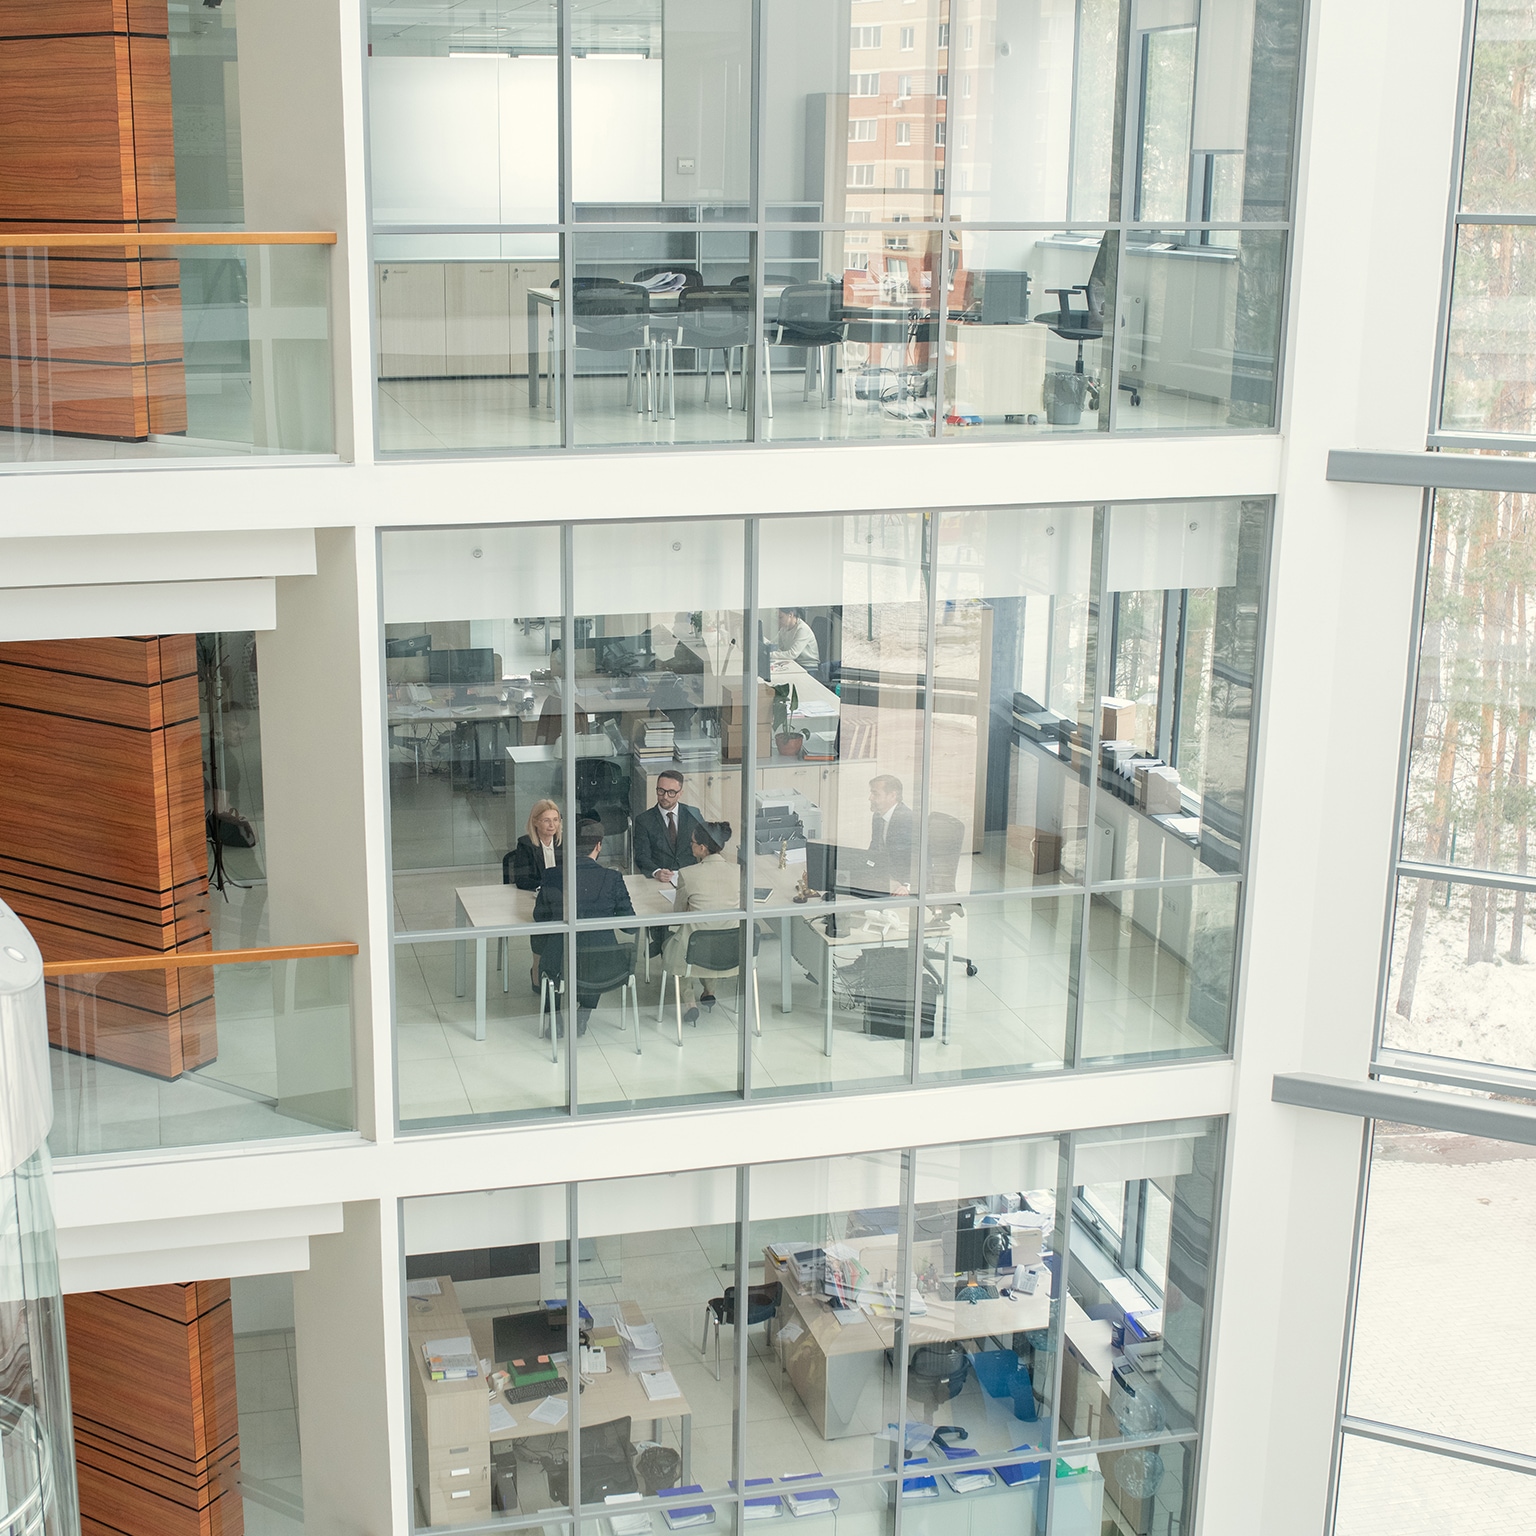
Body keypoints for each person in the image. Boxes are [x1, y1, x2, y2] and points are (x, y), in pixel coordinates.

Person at [531, 820, 636, 1035]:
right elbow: (630, 927)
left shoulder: (552, 875)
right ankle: (584, 1014)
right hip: (602, 964)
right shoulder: (613, 878)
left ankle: (556, 1020)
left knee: (550, 951)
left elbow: (539, 918)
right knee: (596, 952)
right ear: (599, 846)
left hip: (561, 961)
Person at [660, 821, 738, 1023]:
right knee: (712, 936)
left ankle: (689, 1003)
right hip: (730, 951)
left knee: (678, 946)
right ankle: (709, 991)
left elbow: (678, 913)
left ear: (702, 848)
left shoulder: (688, 874)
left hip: (693, 955)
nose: (690, 845)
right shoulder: (738, 872)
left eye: (692, 842)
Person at [505, 800, 563, 992]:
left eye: (556, 820)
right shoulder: (525, 844)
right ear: (536, 822)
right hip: (536, 898)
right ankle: (538, 967)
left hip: (561, 899)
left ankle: (558, 968)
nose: (552, 825)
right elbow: (522, 880)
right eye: (546, 820)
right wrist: (543, 887)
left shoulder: (563, 843)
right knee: (542, 918)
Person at [632, 770, 705, 885]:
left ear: (680, 793)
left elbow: (706, 846)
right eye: (661, 791)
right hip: (660, 879)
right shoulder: (644, 820)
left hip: (690, 876)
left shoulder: (693, 814)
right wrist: (656, 872)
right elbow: (641, 855)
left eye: (671, 792)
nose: (665, 797)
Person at [868, 773, 915, 895]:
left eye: (875, 794)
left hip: (900, 882)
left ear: (892, 795)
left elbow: (921, 859)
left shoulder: (909, 820)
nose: (870, 798)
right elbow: (874, 849)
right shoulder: (878, 816)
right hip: (884, 877)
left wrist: (908, 885)